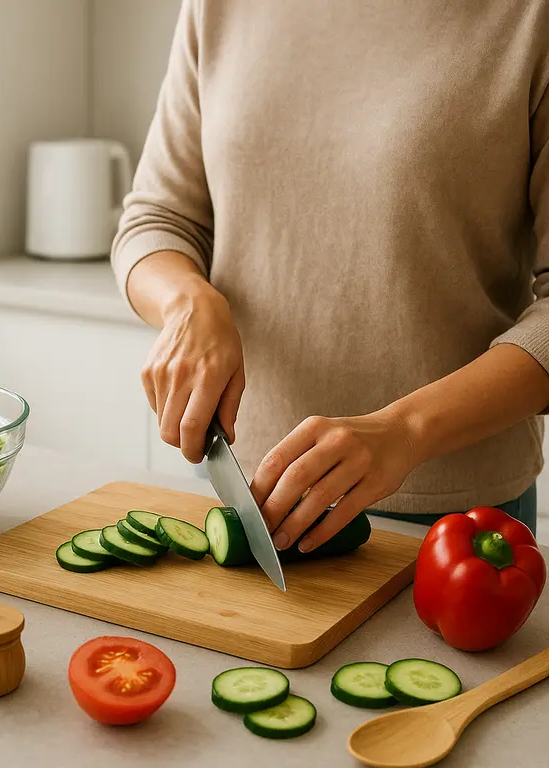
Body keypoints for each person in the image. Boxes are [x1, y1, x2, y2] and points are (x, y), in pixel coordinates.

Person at [111, 0, 549, 552]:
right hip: (242, 490)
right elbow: (157, 218)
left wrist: (406, 431)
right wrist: (186, 302)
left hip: (452, 521)